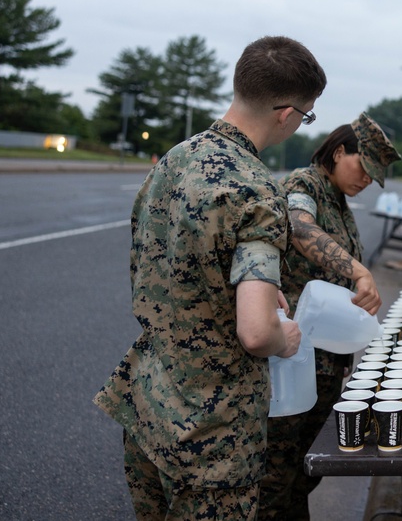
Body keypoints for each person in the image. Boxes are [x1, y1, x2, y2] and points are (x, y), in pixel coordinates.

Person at [93, 35, 327, 520]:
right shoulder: (257, 188)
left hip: (147, 404)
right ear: (287, 115)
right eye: (307, 115)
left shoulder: (171, 162)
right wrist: (284, 339)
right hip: (211, 435)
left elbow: (172, 267)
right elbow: (257, 332)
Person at [260, 113, 400, 520]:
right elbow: (300, 228)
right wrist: (359, 270)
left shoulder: (338, 200)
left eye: (375, 177)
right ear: (339, 152)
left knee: (302, 469)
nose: (367, 181)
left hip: (324, 360)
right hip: (293, 358)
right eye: (364, 168)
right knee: (275, 473)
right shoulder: (305, 186)